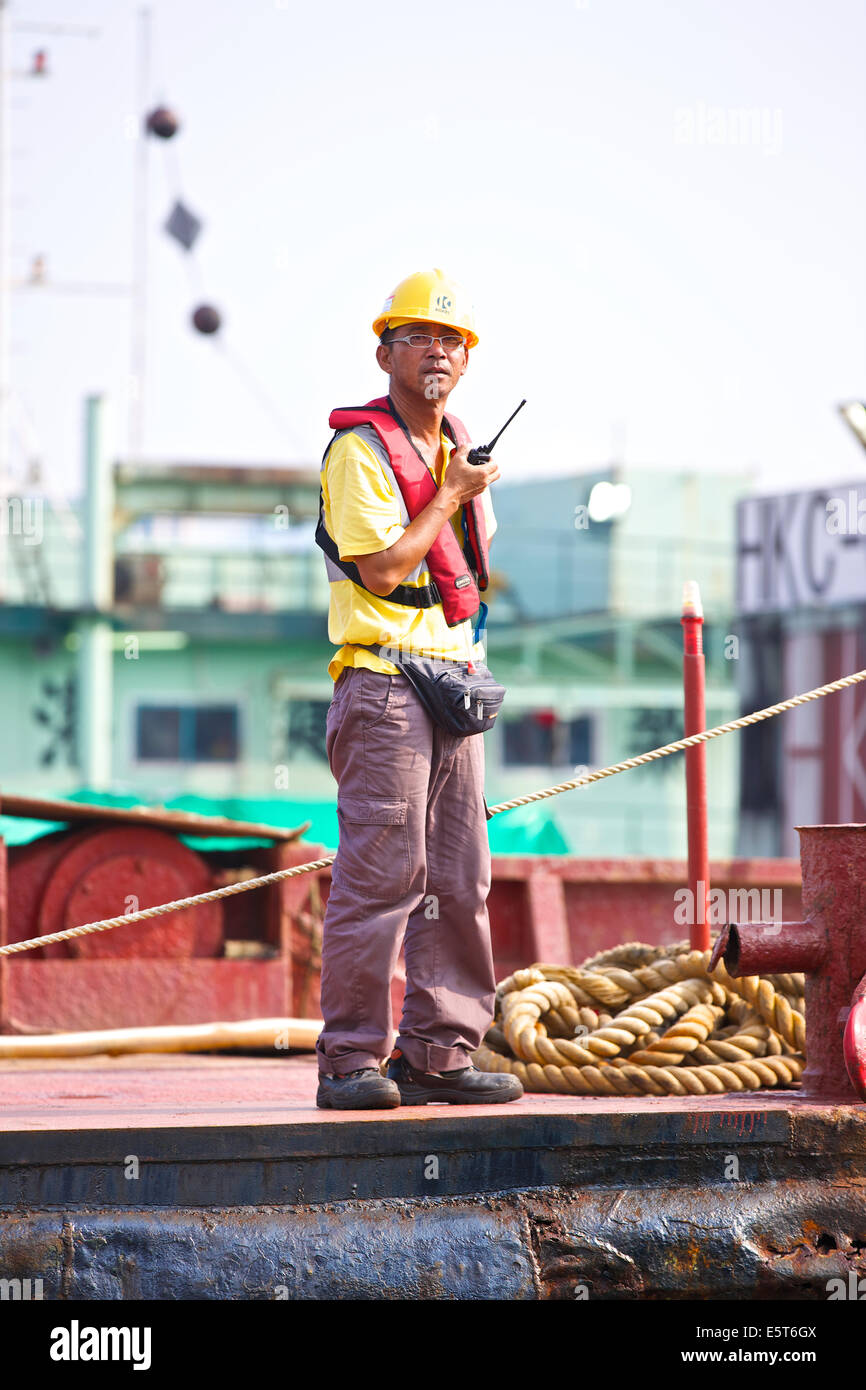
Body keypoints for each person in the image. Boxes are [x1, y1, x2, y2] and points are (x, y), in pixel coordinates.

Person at [313, 268, 523, 1109]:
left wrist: (456, 487)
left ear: (465, 362)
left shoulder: (456, 452)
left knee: (461, 879)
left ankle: (439, 1055)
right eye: (419, 338)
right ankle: (351, 1064)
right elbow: (386, 566)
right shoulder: (358, 453)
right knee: (380, 878)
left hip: (455, 685)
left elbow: (467, 580)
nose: (437, 351)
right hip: (385, 685)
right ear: (385, 352)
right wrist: (450, 495)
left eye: (451, 341)